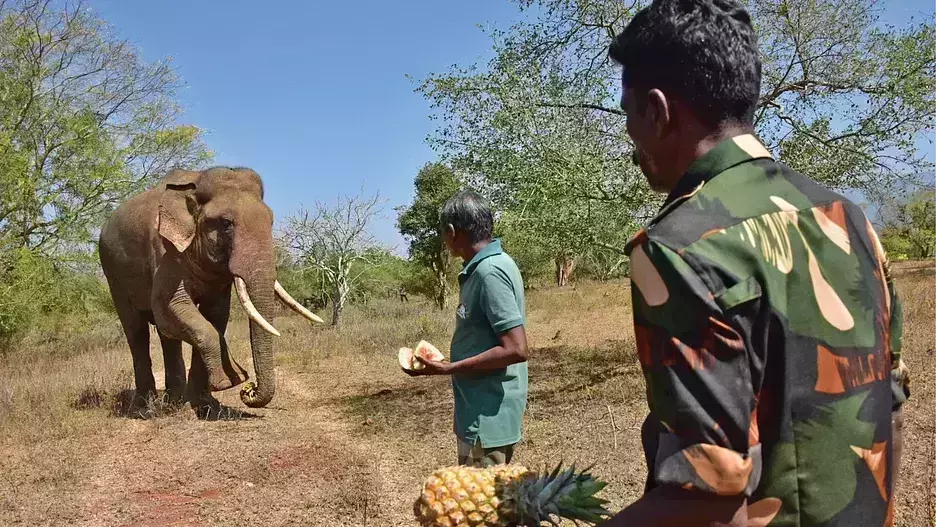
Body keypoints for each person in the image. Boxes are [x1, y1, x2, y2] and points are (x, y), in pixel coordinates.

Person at [603, 1, 910, 525]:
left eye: (629, 115)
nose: (631, 140)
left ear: (657, 111)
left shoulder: (677, 247)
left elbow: (708, 495)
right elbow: (892, 402)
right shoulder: (849, 219)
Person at [403, 189, 529, 468]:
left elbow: (517, 349)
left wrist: (450, 368)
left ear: (451, 231)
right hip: (479, 412)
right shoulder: (488, 267)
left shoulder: (489, 272)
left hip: (488, 417)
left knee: (482, 507)